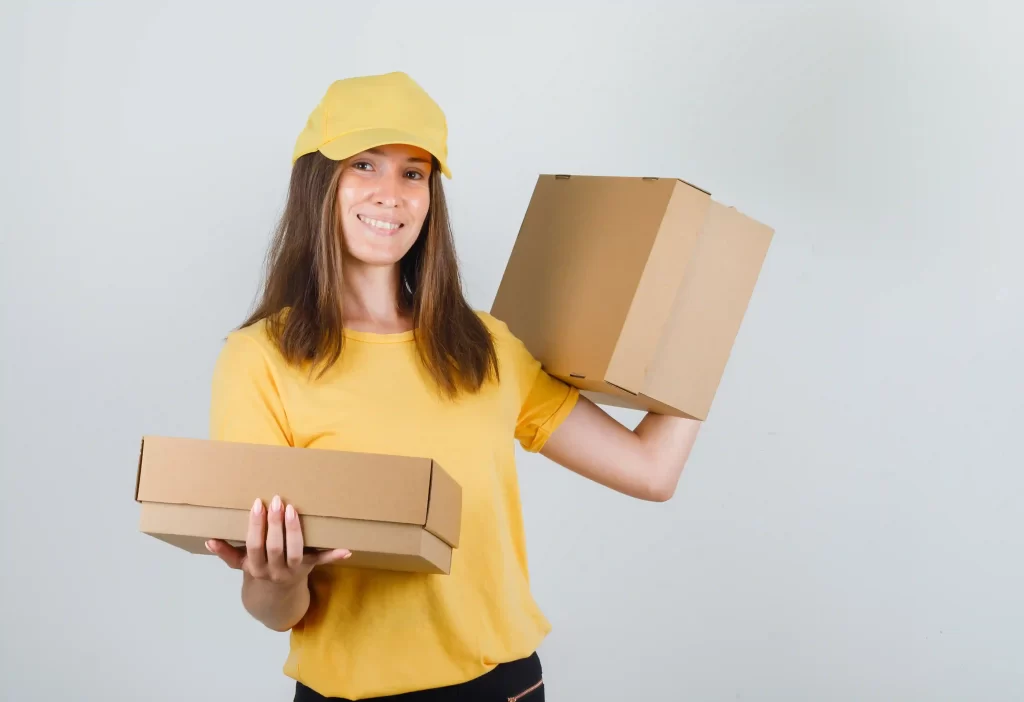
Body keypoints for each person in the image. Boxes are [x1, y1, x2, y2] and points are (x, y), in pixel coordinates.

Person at [204, 71, 701, 701]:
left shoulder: (484, 347)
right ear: (317, 183)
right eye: (365, 165)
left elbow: (651, 470)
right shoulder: (260, 361)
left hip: (506, 688)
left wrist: (704, 320)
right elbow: (277, 611)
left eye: (414, 173)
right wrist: (278, 577)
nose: (392, 194)